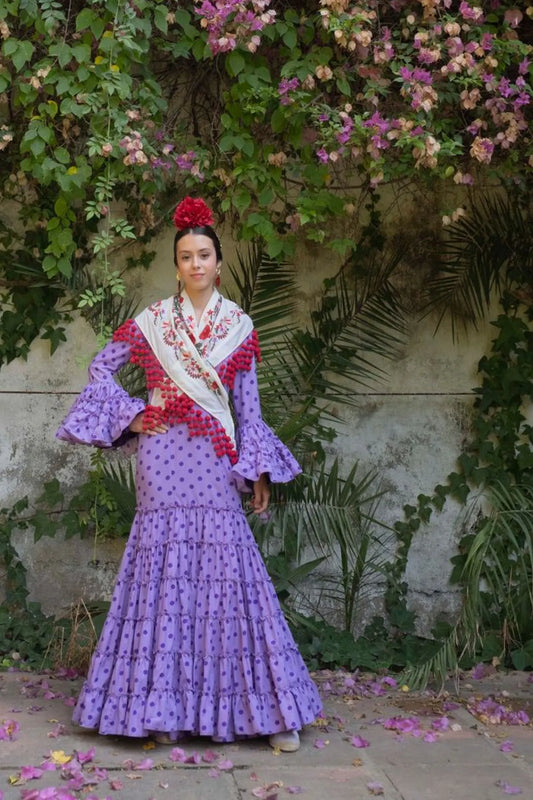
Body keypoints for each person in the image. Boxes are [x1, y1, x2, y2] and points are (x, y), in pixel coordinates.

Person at [56, 196, 322, 752]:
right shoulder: (153, 321)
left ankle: (269, 713)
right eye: (185, 256)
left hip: (216, 460)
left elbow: (248, 409)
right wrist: (133, 415)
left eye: (204, 255)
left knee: (230, 575)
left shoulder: (238, 325)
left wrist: (258, 472)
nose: (195, 263)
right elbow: (100, 368)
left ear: (218, 263)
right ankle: (160, 709)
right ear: (176, 266)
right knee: (163, 577)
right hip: (162, 458)